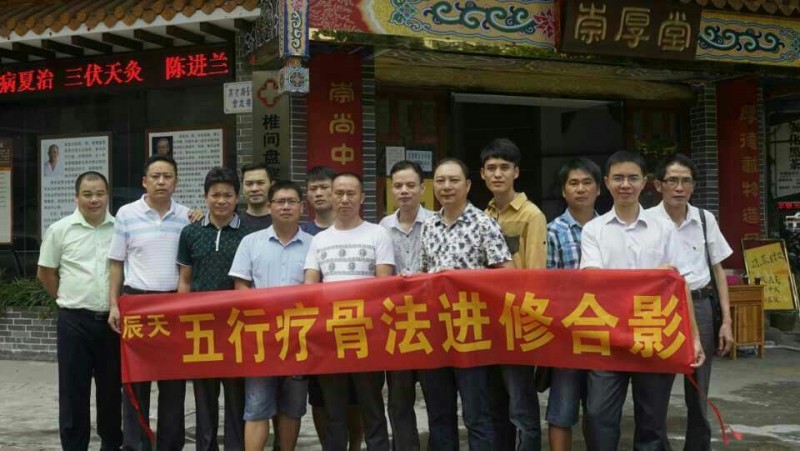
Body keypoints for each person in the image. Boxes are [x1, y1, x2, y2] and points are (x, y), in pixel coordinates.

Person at [580, 150, 705, 450]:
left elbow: (680, 285)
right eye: (618, 178)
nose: (625, 185)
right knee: (597, 415)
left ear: (645, 182)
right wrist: (653, 276)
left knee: (652, 422)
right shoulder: (593, 230)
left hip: (654, 334)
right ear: (606, 183)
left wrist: (693, 338)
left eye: (632, 178)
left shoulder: (664, 229)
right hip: (608, 336)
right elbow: (593, 280)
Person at [419, 158, 513, 451]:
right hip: (436, 334)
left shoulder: (484, 224)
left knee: (477, 415)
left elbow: (507, 275)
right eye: (440, 181)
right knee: (439, 415)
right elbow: (423, 274)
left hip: (473, 333)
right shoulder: (428, 226)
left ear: (468, 185)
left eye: (454, 180)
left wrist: (466, 280)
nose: (446, 187)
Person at [649, 153, 734, 451]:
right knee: (657, 386)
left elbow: (719, 270)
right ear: (658, 185)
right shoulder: (646, 220)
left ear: (694, 186)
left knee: (699, 388)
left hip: (700, 305)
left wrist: (726, 321)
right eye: (672, 180)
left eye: (686, 181)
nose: (679, 187)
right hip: (660, 309)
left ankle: (698, 446)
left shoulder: (704, 219)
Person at [304, 172, 394, 451]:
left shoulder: (378, 234)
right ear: (331, 197)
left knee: (372, 407)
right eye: (339, 193)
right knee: (334, 412)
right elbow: (309, 287)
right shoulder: (319, 240)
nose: (344, 199)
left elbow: (384, 285)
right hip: (330, 338)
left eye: (351, 193)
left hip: (368, 336)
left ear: (362, 198)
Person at [108, 154, 191, 451]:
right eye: (155, 176)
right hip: (137, 304)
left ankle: (170, 445)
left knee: (173, 384)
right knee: (135, 384)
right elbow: (116, 263)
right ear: (144, 181)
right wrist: (114, 304)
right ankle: (135, 445)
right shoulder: (126, 214)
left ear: (176, 182)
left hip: (173, 305)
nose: (161, 182)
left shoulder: (188, 216)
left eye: (167, 176)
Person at [37, 171, 121, 451]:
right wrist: (63, 297)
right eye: (87, 194)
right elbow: (45, 272)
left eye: (99, 194)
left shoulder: (120, 229)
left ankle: (112, 445)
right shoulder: (60, 230)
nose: (94, 199)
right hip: (74, 322)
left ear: (107, 196)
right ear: (76, 197)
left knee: (112, 391)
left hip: (112, 323)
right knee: (73, 392)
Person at [229, 180, 313, 451]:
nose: (286, 207)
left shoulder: (314, 244)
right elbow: (240, 286)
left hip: (299, 337)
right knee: (256, 406)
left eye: (292, 202)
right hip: (261, 338)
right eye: (280, 202)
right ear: (269, 206)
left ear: (301, 206)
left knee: (292, 407)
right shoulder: (251, 242)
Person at [480, 138, 545, 451]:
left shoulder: (532, 215)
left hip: (517, 322)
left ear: (516, 172)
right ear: (482, 174)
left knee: (521, 406)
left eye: (504, 167)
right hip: (486, 321)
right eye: (491, 168)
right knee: (494, 405)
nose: (497, 174)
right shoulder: (484, 215)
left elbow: (536, 274)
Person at [176, 167, 248, 451]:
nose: (221, 200)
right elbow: (184, 280)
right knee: (204, 397)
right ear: (205, 197)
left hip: (236, 327)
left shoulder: (249, 234)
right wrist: (182, 320)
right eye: (215, 195)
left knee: (236, 396)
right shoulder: (190, 232)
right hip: (200, 328)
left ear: (236, 197)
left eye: (227, 195)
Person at [301, 165, 364, 451]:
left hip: (361, 328)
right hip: (323, 331)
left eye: (324, 188)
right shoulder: (309, 236)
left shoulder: (372, 233)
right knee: (323, 399)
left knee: (358, 398)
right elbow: (309, 285)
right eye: (312, 188)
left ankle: (356, 445)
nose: (320, 193)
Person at [545, 158, 602, 451]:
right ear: (564, 191)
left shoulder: (610, 228)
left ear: (599, 189)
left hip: (605, 332)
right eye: (574, 183)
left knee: (599, 410)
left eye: (587, 183)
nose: (581, 189)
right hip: (566, 333)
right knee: (562, 408)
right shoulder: (552, 231)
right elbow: (548, 286)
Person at [378, 160, 433, 451]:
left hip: (432, 323)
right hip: (397, 325)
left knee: (437, 399)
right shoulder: (381, 228)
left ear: (423, 188)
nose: (404, 191)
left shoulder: (436, 223)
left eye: (411, 185)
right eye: (398, 185)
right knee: (399, 401)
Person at [302, 166, 336, 235]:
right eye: (313, 189)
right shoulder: (303, 234)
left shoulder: (352, 230)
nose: (318, 193)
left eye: (324, 187)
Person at [240, 162, 273, 230]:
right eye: (249, 184)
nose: (254, 189)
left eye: (260, 183)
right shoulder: (233, 224)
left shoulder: (281, 222)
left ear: (271, 185)